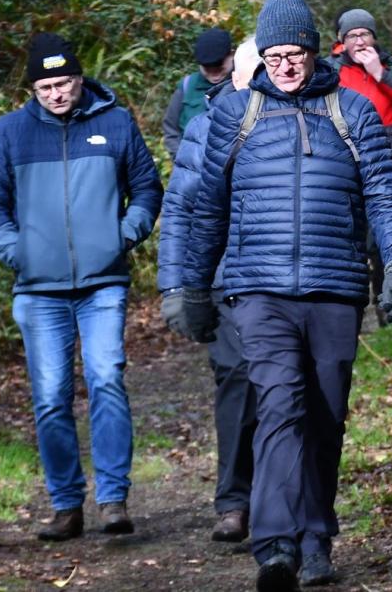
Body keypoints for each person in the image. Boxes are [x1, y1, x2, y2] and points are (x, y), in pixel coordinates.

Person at [166, 0, 392, 590]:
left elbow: (384, 193)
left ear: (313, 53)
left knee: (326, 415)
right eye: (273, 59)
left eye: (293, 57)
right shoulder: (235, 112)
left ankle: (316, 536)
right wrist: (192, 288)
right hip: (260, 290)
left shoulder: (351, 110)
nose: (283, 69)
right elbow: (208, 209)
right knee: (280, 406)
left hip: (334, 288)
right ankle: (275, 545)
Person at [0, 32, 163, 541]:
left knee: (105, 377)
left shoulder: (116, 123)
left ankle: (113, 499)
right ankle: (65, 504)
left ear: (80, 79)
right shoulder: (9, 133)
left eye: (64, 83)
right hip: (38, 290)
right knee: (52, 396)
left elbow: (146, 185)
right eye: (46, 86)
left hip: (104, 283)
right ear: (33, 89)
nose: (57, 94)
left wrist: (124, 235)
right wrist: (19, 252)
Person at [158, 37, 261, 543]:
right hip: (225, 281)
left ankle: (286, 506)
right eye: (252, 69)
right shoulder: (205, 127)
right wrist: (178, 286)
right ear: (233, 76)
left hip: (292, 282)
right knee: (238, 379)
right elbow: (179, 210)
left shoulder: (315, 116)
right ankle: (236, 501)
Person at [325, 9, 392, 323]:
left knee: (383, 238)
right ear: (342, 42)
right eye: (352, 36)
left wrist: (379, 74)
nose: (359, 40)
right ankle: (358, 301)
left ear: (373, 37)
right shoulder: (331, 71)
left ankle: (385, 301)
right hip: (347, 167)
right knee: (356, 239)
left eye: (364, 34)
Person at [163, 27, 234, 158]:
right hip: (192, 169)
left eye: (219, 68)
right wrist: (183, 159)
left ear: (232, 55)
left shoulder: (243, 83)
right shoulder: (187, 86)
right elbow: (170, 129)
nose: (214, 75)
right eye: (207, 69)